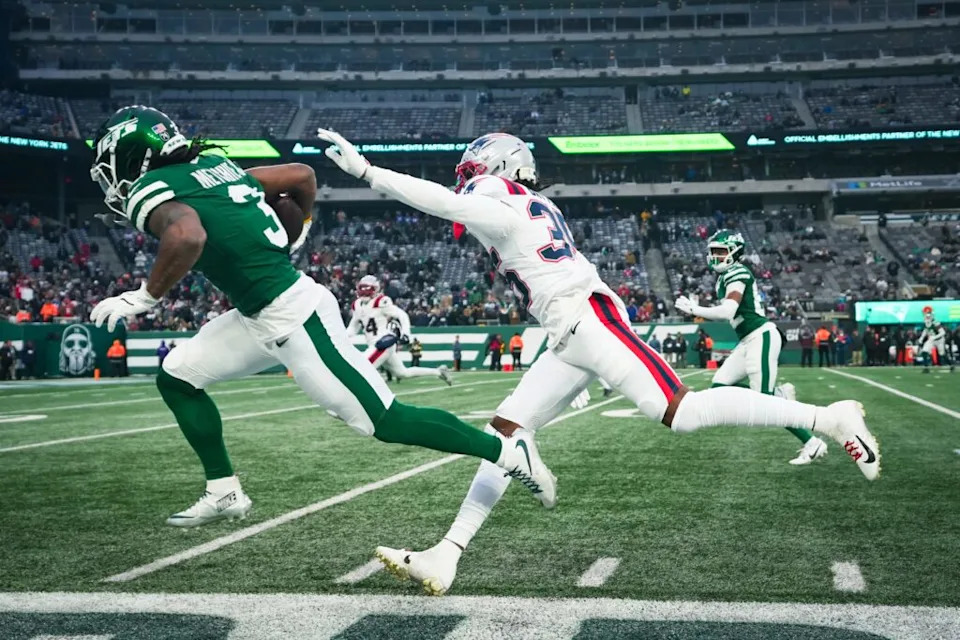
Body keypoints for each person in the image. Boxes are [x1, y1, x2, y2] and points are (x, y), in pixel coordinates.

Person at [318, 129, 880, 595]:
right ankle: (448, 552)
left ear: (497, 167)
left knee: (679, 412)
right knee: (506, 433)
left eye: (475, 169)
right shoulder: (523, 201)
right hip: (567, 331)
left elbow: (447, 203)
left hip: (588, 319)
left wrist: (370, 172)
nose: (467, 177)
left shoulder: (502, 201)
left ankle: (828, 418)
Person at [89, 106, 554, 529]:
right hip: (258, 315)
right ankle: (223, 490)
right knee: (177, 377)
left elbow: (186, 237)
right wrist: (302, 228)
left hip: (293, 315)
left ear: (132, 158)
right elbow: (302, 175)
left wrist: (145, 297)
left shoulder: (152, 187)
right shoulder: (213, 168)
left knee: (384, 421)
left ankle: (506, 450)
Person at [676, 230, 827, 466]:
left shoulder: (737, 272)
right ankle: (779, 395)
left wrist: (694, 309)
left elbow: (727, 311)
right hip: (748, 340)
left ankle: (812, 442)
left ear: (734, 253)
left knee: (765, 405)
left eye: (721, 251)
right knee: (720, 385)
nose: (715, 256)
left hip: (761, 336)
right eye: (713, 251)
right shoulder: (725, 276)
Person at [349, 275, 451, 385]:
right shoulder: (357, 305)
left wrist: (406, 333)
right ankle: (438, 372)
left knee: (362, 367)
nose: (364, 293)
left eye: (367, 290)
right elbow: (353, 326)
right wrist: (343, 338)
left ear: (375, 289)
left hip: (383, 343)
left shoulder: (381, 302)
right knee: (402, 373)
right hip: (374, 345)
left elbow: (402, 315)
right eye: (362, 289)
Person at [918, 307, 953, 373]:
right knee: (924, 351)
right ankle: (926, 367)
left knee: (942, 354)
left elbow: (943, 332)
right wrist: (921, 338)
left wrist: (935, 337)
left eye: (926, 313)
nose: (925, 315)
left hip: (939, 340)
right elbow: (926, 330)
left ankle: (951, 365)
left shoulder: (935, 322)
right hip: (932, 339)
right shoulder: (926, 320)